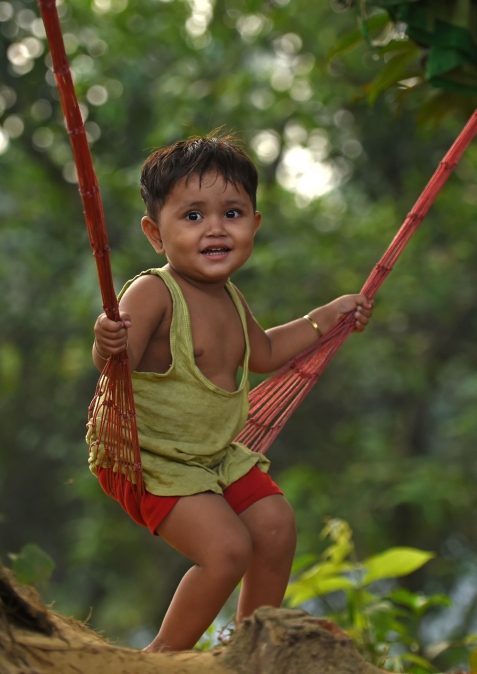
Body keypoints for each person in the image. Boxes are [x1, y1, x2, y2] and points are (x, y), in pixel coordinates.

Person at [91, 133, 372, 652]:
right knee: (225, 550)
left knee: (275, 525)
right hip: (149, 459)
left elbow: (262, 353)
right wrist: (106, 341)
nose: (216, 228)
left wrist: (322, 320)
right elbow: (117, 362)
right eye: (193, 216)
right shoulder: (153, 291)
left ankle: (250, 645)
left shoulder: (230, 298)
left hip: (216, 455)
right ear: (156, 233)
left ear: (255, 225)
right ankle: (161, 659)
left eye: (233, 213)